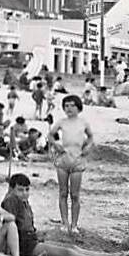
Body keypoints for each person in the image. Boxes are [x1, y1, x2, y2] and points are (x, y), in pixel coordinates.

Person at [1, 174, 129, 256]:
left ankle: (112, 255)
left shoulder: (23, 201)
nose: (24, 193)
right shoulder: (12, 200)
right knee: (67, 253)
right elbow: (9, 222)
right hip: (25, 247)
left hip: (32, 241)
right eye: (20, 190)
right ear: (12, 189)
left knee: (72, 247)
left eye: (27, 190)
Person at [49, 95, 94, 235]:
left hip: (77, 160)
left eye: (72, 105)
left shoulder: (84, 123)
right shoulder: (61, 122)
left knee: (75, 195)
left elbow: (91, 137)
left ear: (79, 107)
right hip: (63, 159)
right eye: (66, 105)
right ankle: (64, 222)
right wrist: (56, 144)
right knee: (63, 192)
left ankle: (74, 225)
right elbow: (50, 135)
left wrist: (88, 147)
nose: (69, 108)